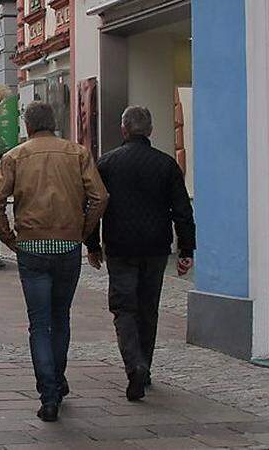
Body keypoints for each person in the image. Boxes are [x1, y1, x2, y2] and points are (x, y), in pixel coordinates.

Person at [0, 102, 108, 423]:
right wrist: (83, 229)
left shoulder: (14, 157)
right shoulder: (77, 154)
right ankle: (58, 378)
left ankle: (48, 394)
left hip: (32, 247)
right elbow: (100, 197)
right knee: (61, 317)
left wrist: (8, 237)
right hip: (68, 246)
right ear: (54, 123)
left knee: (39, 323)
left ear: (27, 126)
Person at [85, 106, 195, 402]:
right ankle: (144, 365)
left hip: (120, 247)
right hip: (156, 248)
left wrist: (92, 244)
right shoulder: (166, 165)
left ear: (124, 130)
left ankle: (134, 363)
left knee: (123, 308)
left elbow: (94, 205)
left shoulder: (107, 163)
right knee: (148, 308)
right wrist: (186, 249)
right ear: (149, 131)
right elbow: (182, 210)